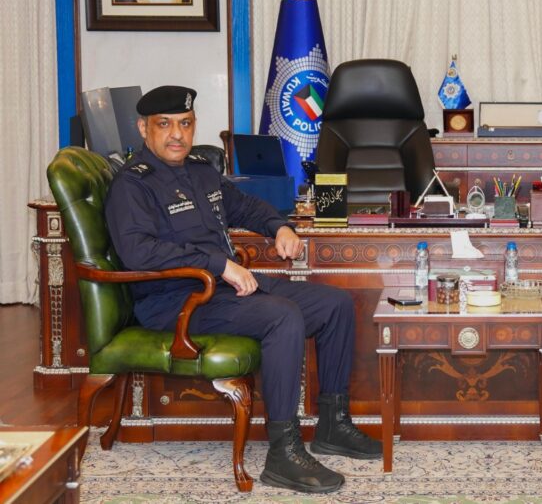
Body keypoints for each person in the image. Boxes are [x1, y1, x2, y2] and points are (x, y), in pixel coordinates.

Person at [105, 86, 381, 494]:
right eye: (165, 125)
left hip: (221, 290)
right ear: (143, 129)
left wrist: (279, 227)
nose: (177, 134)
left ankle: (332, 426)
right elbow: (138, 251)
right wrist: (219, 264)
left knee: (334, 303)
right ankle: (283, 452)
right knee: (282, 316)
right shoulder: (133, 184)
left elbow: (246, 206)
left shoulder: (201, 170)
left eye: (185, 124)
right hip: (176, 300)